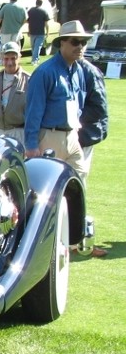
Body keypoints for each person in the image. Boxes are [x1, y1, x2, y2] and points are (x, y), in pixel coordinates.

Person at [24, 21, 93, 176]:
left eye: (83, 42)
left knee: (79, 179)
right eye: (75, 42)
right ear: (62, 43)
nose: (80, 46)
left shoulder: (79, 71)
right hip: (49, 137)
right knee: (46, 185)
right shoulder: (44, 72)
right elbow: (33, 111)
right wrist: (31, 145)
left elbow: (79, 104)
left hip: (72, 136)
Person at [78, 58, 109, 256]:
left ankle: (81, 240)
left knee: (78, 185)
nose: (78, 46)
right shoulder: (59, 68)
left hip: (82, 138)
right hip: (64, 136)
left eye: (81, 42)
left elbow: (99, 108)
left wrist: (71, 113)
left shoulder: (89, 72)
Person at [26, 0, 50, 65]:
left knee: (33, 46)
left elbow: (27, 21)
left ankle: (35, 59)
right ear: (41, 4)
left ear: (36, 3)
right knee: (37, 46)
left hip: (32, 31)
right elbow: (46, 24)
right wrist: (47, 32)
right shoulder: (44, 11)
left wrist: (28, 30)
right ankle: (35, 60)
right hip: (40, 32)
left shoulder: (30, 11)